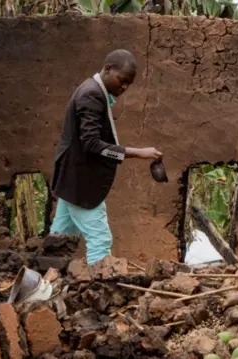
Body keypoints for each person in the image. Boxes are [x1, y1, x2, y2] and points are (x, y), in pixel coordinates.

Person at [49, 49, 162, 265]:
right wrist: (137, 153)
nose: (124, 87)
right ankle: (97, 290)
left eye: (129, 83)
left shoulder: (95, 92)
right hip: (81, 181)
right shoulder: (91, 95)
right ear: (108, 69)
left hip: (71, 179)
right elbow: (91, 144)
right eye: (122, 80)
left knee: (59, 239)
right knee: (100, 239)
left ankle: (43, 284)